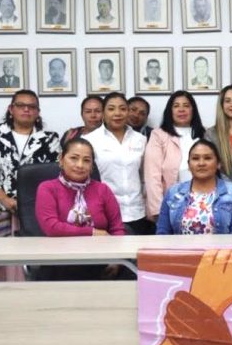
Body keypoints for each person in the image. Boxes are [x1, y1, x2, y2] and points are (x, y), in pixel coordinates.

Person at [0, 89, 61, 236]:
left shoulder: (49, 139)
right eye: (21, 105)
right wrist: (4, 198)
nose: (26, 109)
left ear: (38, 112)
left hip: (37, 208)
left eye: (32, 106)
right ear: (11, 109)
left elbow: (56, 175)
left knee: (37, 248)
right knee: (1, 249)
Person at [85, 93, 151, 235]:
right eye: (111, 109)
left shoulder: (140, 140)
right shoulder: (90, 140)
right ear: (103, 113)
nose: (117, 113)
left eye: (122, 108)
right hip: (105, 211)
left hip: (137, 212)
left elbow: (145, 176)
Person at [156, 140, 232, 235]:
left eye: (207, 158)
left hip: (223, 246)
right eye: (195, 158)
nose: (201, 163)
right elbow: (163, 234)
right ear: (189, 165)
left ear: (218, 164)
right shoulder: (173, 193)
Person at [37, 138, 124, 237]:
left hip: (101, 246)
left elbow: (117, 229)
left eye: (86, 160)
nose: (80, 165)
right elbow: (51, 228)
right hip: (60, 246)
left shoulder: (103, 189)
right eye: (74, 158)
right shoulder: (47, 188)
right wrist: (92, 232)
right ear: (61, 159)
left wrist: (116, 245)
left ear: (92, 166)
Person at [144, 90, 206, 223]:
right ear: (169, 111)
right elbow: (152, 175)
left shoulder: (205, 134)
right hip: (171, 203)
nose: (181, 109)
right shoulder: (158, 135)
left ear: (193, 110)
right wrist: (158, 210)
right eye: (176, 106)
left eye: (186, 105)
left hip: (203, 201)